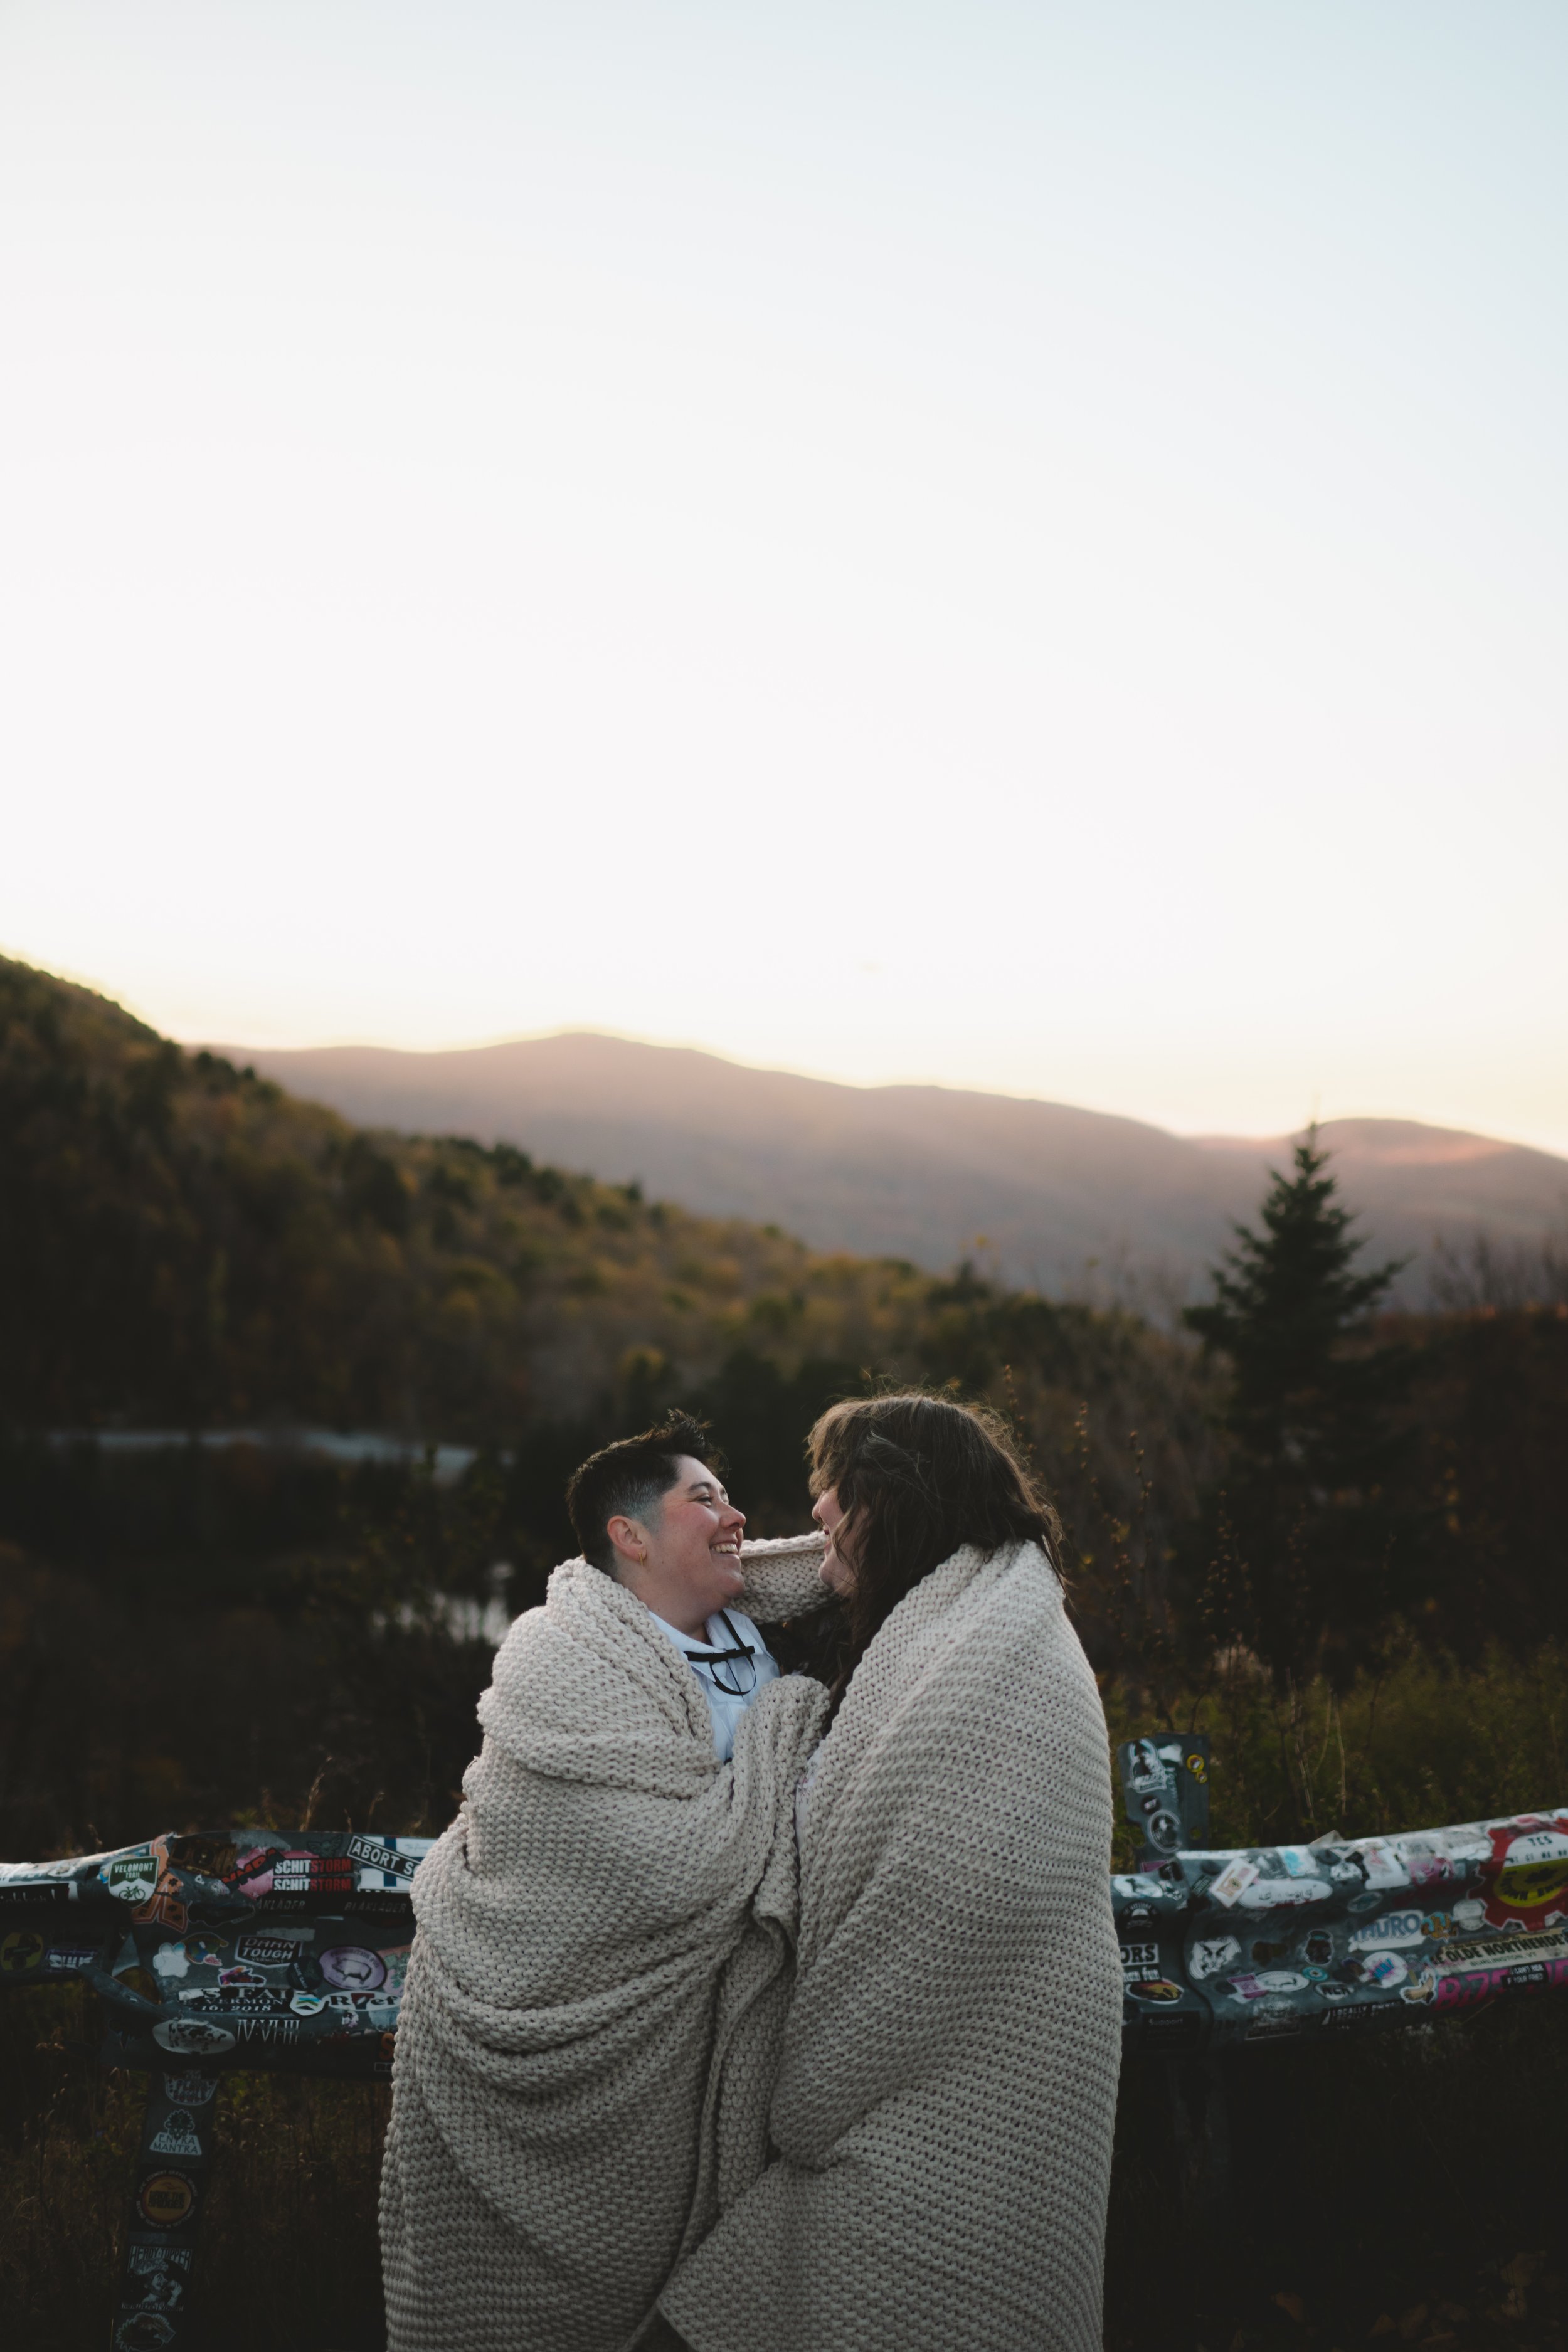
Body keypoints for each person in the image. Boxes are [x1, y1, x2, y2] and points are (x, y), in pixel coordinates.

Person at [660, 1391, 1124, 2352]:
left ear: (895, 1503)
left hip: (956, 2118)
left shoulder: (989, 1663)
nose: (817, 1508)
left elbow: (946, 1908)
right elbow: (777, 1581)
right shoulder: (952, 1626)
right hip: (928, 2109)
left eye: (837, 1489)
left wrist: (807, 2096)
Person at [379, 1415, 829, 2352]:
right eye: (703, 1498)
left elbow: (836, 1560)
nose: (735, 1515)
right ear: (628, 1535)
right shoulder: (563, 1651)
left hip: (706, 2046)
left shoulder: (755, 1631)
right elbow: (663, 1868)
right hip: (557, 2025)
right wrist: (788, 1721)